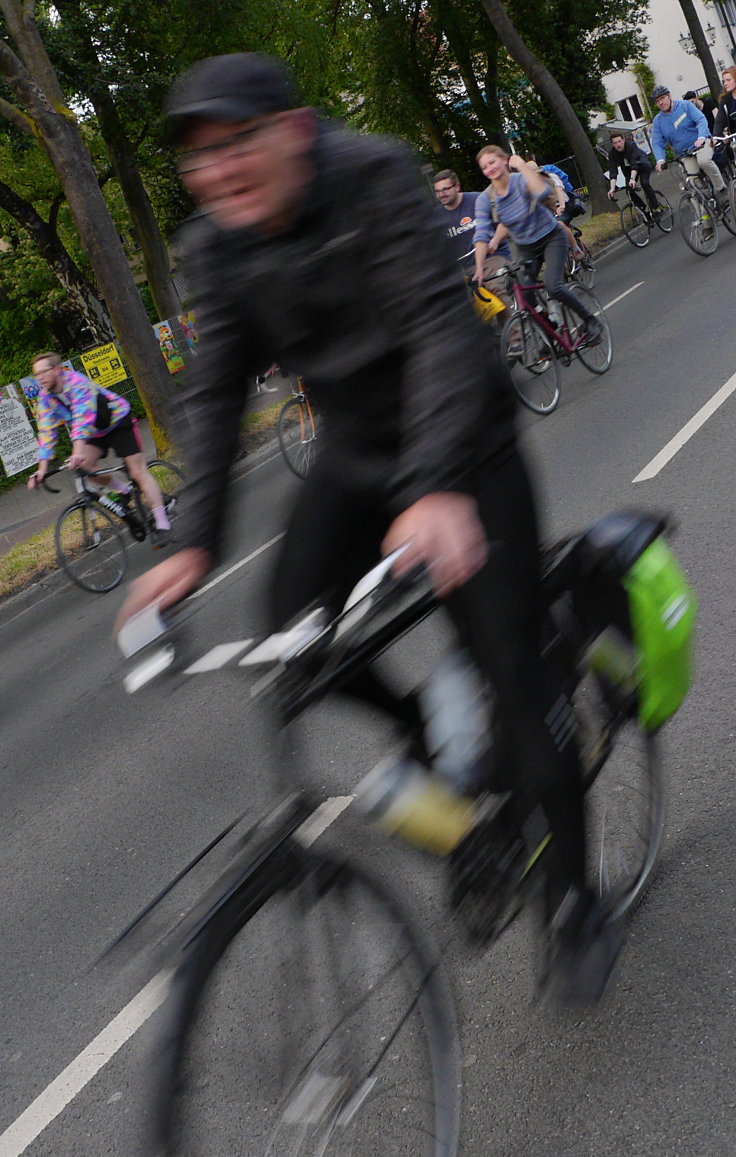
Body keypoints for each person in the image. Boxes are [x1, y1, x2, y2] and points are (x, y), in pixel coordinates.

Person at [118, 52, 620, 1002]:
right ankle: (441, 754)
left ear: (296, 131)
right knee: (295, 644)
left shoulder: (374, 174)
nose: (217, 172)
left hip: (462, 444)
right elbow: (219, 391)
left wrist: (435, 488)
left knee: (513, 672)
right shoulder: (215, 247)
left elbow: (438, 326)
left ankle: (575, 899)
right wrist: (191, 543)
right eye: (198, 159)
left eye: (236, 144)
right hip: (354, 457)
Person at [27, 352, 171, 546]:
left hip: (118, 421)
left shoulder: (76, 382)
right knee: (84, 468)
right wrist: (42, 469)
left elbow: (81, 418)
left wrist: (77, 452)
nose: (40, 378)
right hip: (95, 433)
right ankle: (124, 490)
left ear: (57, 369)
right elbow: (45, 432)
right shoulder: (45, 397)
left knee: (137, 472)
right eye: (37, 375)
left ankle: (163, 525)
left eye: (43, 372)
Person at [472, 145, 602, 340]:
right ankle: (549, 328)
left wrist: (523, 166)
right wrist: (480, 268)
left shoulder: (521, 180)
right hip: (525, 247)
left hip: (551, 237)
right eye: (484, 167)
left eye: (492, 162)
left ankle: (591, 320)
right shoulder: (485, 199)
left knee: (553, 286)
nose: (489, 168)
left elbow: (541, 193)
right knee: (524, 296)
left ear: (505, 160)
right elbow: (481, 234)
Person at [650, 84, 727, 203]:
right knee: (693, 182)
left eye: (663, 98)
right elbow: (657, 142)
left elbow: (700, 119)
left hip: (701, 143)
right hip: (684, 153)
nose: (661, 102)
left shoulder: (685, 106)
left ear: (669, 96)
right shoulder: (658, 121)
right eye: (657, 101)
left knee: (704, 162)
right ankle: (705, 216)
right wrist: (660, 160)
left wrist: (701, 137)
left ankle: (721, 189)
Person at [606, 131, 660, 215]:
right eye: (615, 143)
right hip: (629, 170)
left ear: (623, 140)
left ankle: (656, 207)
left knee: (644, 183)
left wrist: (632, 179)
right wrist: (612, 188)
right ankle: (644, 209)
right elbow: (613, 171)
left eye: (619, 141)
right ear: (612, 144)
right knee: (629, 190)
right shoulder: (612, 154)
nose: (618, 144)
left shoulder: (631, 146)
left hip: (642, 165)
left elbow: (634, 163)